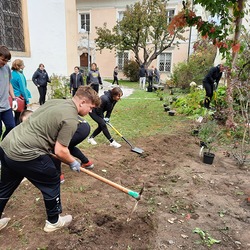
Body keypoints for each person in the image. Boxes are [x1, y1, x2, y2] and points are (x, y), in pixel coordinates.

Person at [0, 86, 100, 232]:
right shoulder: (71, 118)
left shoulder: (55, 102)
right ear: (82, 102)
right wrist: (73, 162)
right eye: (91, 107)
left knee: (5, 186)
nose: (90, 111)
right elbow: (60, 151)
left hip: (7, 146)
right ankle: (53, 221)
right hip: (25, 152)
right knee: (52, 178)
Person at [20, 110, 94, 184]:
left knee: (56, 149)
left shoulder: (44, 122)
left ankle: (58, 176)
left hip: (78, 128)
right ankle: (86, 162)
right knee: (67, 146)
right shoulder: (42, 117)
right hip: (83, 126)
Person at [0, 45, 17, 140]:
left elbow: (9, 83)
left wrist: (14, 98)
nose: (5, 63)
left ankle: (3, 144)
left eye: (7, 61)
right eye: (3, 60)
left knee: (11, 126)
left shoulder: (6, 68)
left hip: (5, 106)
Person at [11, 59, 32, 125]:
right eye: (23, 65)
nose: (24, 66)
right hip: (21, 98)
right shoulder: (20, 76)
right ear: (20, 66)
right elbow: (23, 89)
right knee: (21, 116)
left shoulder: (12, 74)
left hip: (14, 98)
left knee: (16, 116)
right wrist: (27, 101)